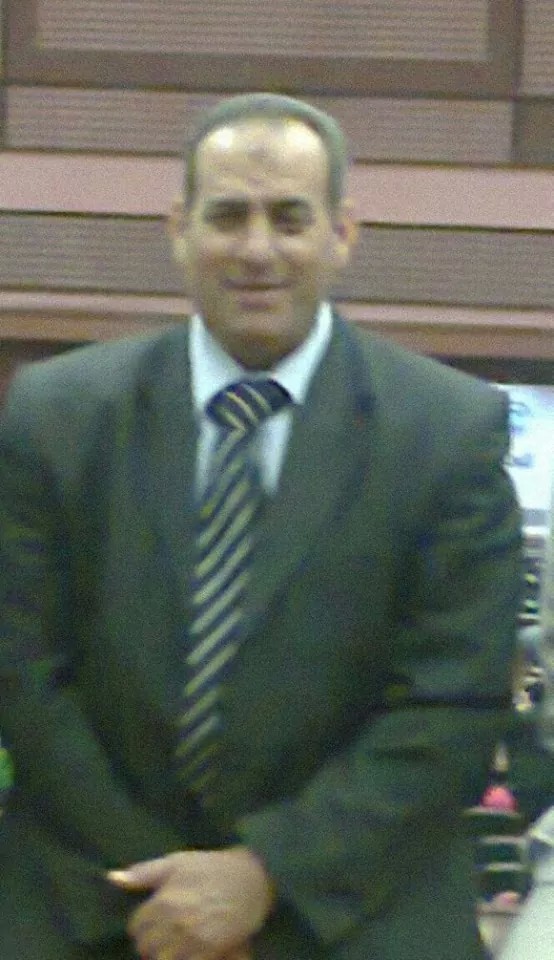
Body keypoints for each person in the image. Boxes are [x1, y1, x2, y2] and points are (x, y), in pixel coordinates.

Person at [0, 93, 523, 960]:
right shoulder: (57, 417)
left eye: (289, 218)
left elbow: (453, 702)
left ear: (342, 234)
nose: (256, 250)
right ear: (178, 230)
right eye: (227, 216)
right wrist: (172, 894)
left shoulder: (446, 432)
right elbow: (23, 673)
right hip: (96, 897)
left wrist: (264, 875)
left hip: (352, 909)